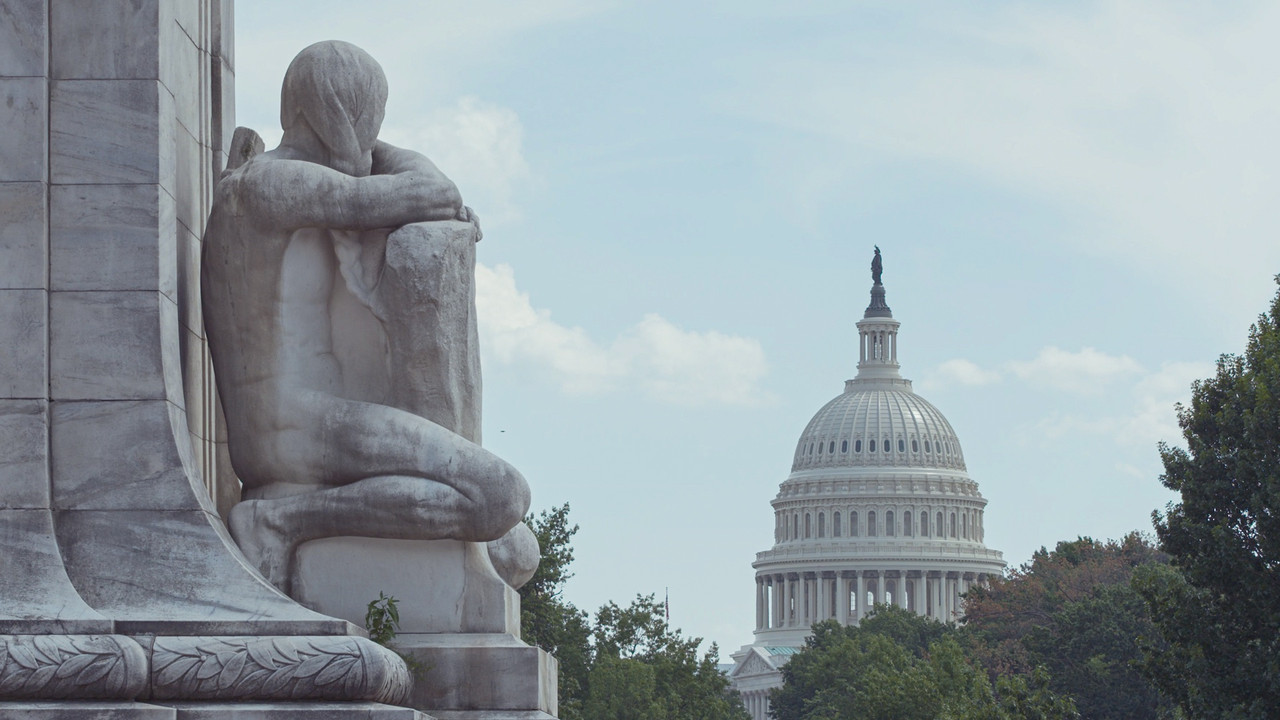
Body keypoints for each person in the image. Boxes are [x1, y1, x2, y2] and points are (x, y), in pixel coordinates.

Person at [202, 40, 530, 592]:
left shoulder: (290, 185)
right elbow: (435, 191)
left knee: (514, 545)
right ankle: (281, 521)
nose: (373, 131)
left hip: (321, 418)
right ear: (345, 110)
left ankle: (292, 520)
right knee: (499, 496)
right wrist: (368, 150)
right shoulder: (271, 183)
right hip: (286, 427)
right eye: (370, 113)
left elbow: (423, 197)